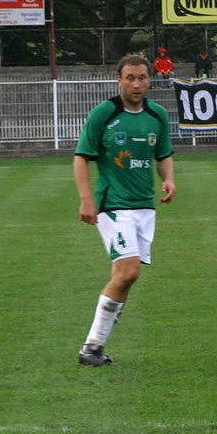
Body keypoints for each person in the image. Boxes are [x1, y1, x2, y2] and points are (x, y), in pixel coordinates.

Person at [73, 54, 176, 366]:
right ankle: (90, 347)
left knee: (127, 277)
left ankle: (95, 347)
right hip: (113, 205)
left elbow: (163, 153)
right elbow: (81, 157)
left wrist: (169, 179)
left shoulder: (157, 115)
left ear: (149, 80)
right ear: (119, 80)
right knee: (129, 270)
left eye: (142, 78)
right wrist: (86, 199)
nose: (136, 84)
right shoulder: (104, 114)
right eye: (130, 78)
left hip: (145, 206)